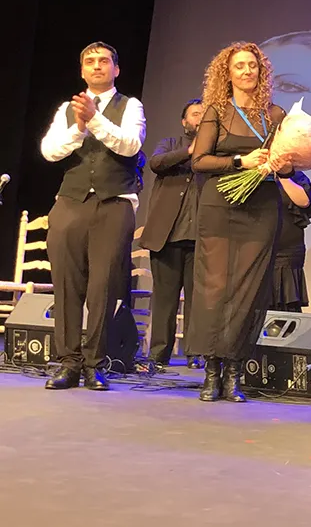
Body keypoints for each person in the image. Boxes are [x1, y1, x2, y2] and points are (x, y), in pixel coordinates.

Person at [188, 42, 291, 403]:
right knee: (215, 288)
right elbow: (199, 160)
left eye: (253, 66)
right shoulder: (217, 110)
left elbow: (288, 162)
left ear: (261, 73)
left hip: (261, 206)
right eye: (240, 66)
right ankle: (211, 370)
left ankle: (233, 371)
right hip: (220, 205)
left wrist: (284, 162)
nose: (247, 72)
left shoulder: (275, 115)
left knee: (249, 290)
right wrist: (239, 162)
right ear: (226, 73)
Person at [40, 42, 146, 391]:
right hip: (71, 201)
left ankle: (95, 364)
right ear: (82, 70)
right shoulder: (67, 109)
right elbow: (49, 151)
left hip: (113, 202)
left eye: (104, 61)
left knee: (103, 285)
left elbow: (130, 145)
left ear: (116, 69)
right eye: (90, 61)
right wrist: (80, 127)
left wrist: (95, 120)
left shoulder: (130, 106)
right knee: (67, 283)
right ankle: (68, 362)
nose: (97, 66)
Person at [139, 99, 205, 370]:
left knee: (197, 299)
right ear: (184, 121)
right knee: (165, 298)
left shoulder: (215, 152)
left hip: (200, 237)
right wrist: (190, 151)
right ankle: (159, 353)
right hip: (166, 236)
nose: (200, 117)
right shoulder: (170, 144)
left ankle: (194, 352)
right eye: (195, 113)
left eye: (204, 114)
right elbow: (156, 163)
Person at [272, 171, 311, 312]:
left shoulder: (296, 176)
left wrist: (283, 176)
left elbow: (304, 202)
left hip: (287, 252)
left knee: (285, 306)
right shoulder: (250, 173)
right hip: (257, 249)